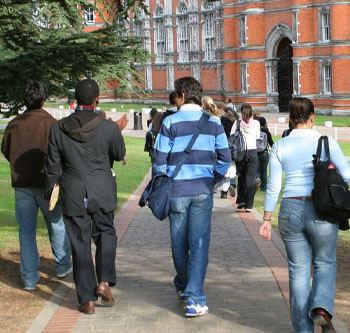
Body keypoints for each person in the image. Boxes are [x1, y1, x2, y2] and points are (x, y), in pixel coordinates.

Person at [259, 97, 350, 333]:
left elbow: (274, 186)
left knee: (298, 271)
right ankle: (321, 307)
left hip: (290, 209)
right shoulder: (327, 142)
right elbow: (347, 175)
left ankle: (304, 330)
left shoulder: (280, 145)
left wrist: (267, 219)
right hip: (321, 210)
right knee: (325, 262)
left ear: (289, 119)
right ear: (313, 118)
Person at [45, 79, 126, 315]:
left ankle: (87, 299)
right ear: (97, 99)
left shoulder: (58, 128)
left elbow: (52, 166)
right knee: (106, 233)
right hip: (101, 190)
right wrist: (116, 132)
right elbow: (119, 153)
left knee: (80, 244)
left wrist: (49, 194)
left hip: (73, 192)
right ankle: (104, 281)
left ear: (75, 100)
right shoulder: (109, 127)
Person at [153, 77, 231, 317]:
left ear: (182, 96)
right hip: (202, 190)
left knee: (178, 244)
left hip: (177, 191)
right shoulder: (215, 123)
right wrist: (213, 180)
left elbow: (158, 161)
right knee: (198, 245)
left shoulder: (170, 122)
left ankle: (187, 288)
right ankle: (193, 295)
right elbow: (226, 159)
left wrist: (167, 178)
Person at [1, 81, 72, 291]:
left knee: (26, 231)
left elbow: (6, 150)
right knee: (57, 225)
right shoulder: (52, 124)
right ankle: (62, 265)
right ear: (43, 99)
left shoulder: (15, 124)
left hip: (22, 183)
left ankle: (30, 277)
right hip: (47, 183)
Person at [230, 103, 260, 212]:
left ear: (241, 112)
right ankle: (249, 205)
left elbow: (232, 136)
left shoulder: (237, 123)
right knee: (251, 179)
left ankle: (241, 200)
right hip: (252, 152)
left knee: (241, 177)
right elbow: (257, 136)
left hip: (240, 152)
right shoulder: (256, 123)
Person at [256, 116, 274, 191]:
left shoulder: (255, 131)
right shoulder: (267, 132)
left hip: (255, 153)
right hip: (264, 152)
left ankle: (257, 182)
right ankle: (263, 187)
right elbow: (271, 143)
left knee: (257, 170)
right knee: (264, 171)